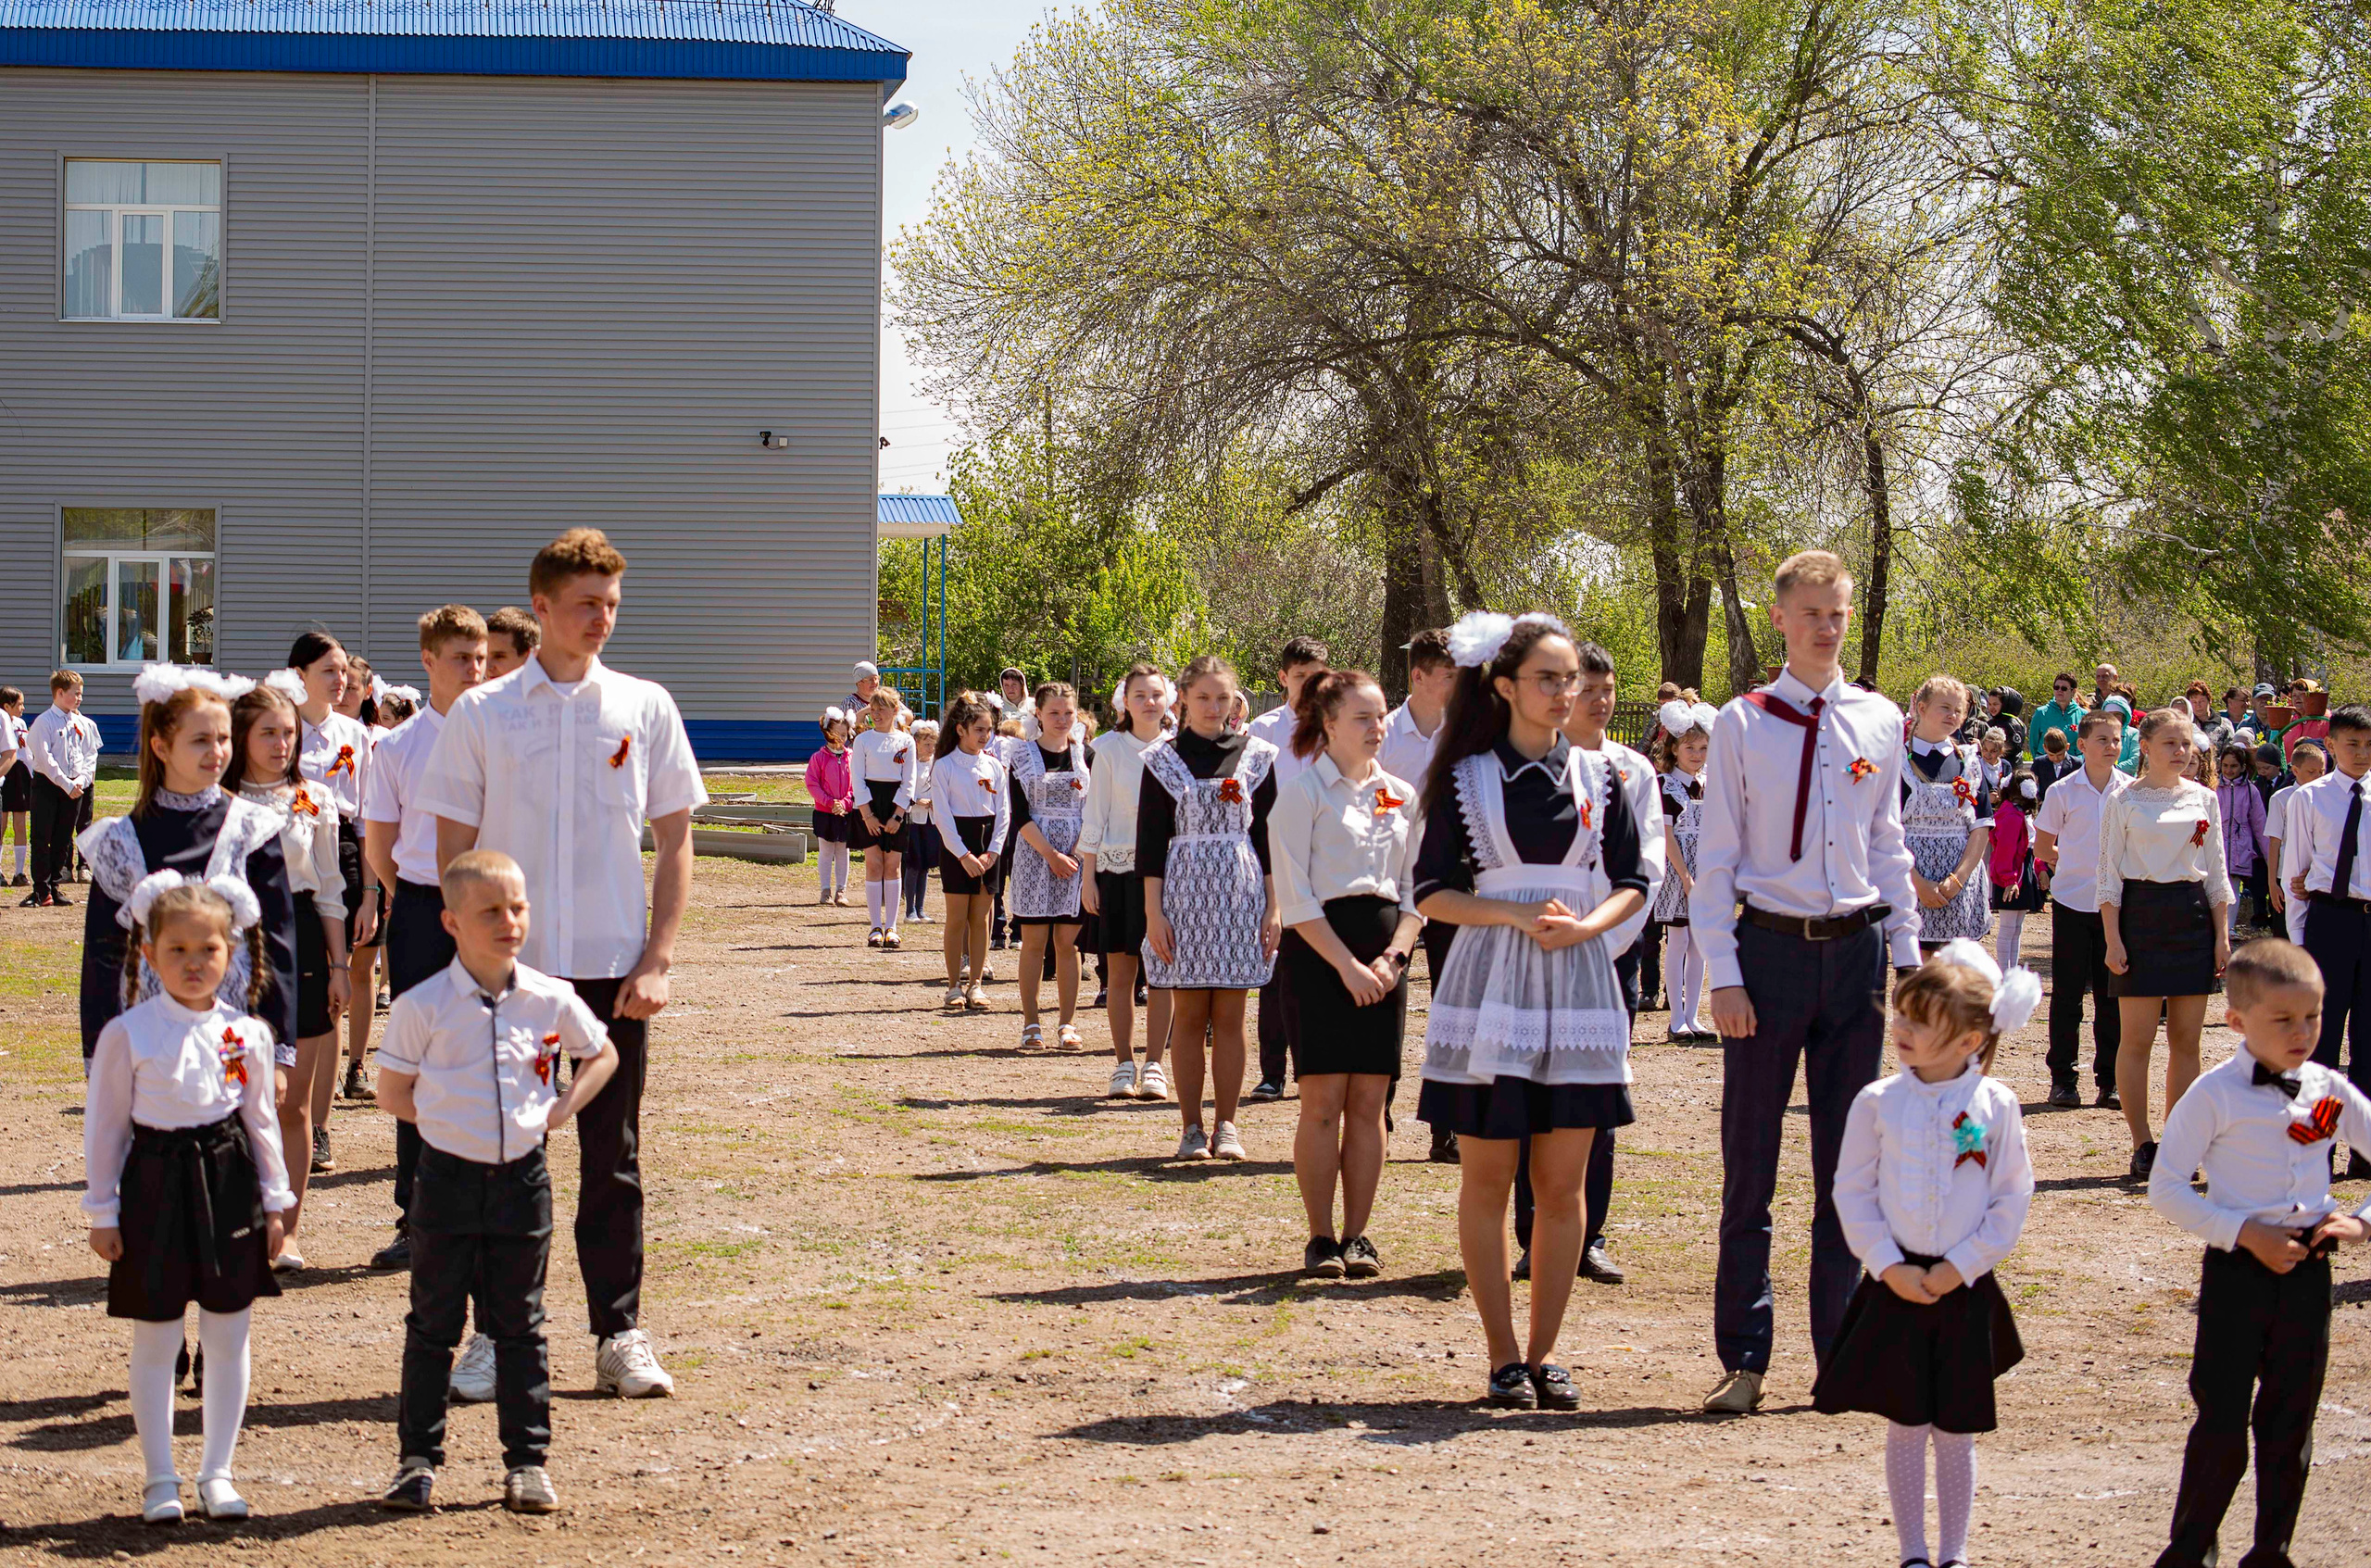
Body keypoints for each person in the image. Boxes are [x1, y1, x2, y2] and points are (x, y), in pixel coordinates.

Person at [422, 527, 706, 1400]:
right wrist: (477, 962)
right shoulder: (484, 713)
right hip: (515, 979)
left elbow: (675, 835)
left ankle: (618, 1332)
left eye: (613, 605)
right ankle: (496, 1336)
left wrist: (658, 955)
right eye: (586, 604)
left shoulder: (645, 706)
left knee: (612, 1159)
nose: (602, 620)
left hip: (615, 973)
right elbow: (453, 846)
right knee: (502, 1163)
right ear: (540, 607)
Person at [1692, 550, 1922, 1416]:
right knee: (1750, 1164)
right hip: (1770, 954)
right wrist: (1724, 973)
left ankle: (1843, 1356)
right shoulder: (1744, 721)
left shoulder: (1880, 718)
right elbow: (1716, 858)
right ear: (1782, 619)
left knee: (1850, 1163)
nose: (1828, 627)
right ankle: (1745, 1356)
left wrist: (1907, 956)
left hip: (1856, 955)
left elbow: (1889, 843)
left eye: (1840, 613)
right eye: (1813, 612)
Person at [1412, 611, 1645, 1410]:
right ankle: (1502, 1353)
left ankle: (1546, 1352)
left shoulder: (1605, 776)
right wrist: (1510, 914)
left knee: (1563, 1183)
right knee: (1487, 1176)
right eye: (1548, 678)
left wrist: (1587, 926)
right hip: (1491, 990)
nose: (1564, 692)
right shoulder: (1463, 777)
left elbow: (1632, 882)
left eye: (1570, 678)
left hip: (1578, 985)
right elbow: (1430, 892)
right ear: (1505, 685)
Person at [374, 849, 619, 1517]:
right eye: (491, 911)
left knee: (521, 1325)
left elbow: (603, 1052)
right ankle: (416, 1460)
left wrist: (564, 1106)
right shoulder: (423, 1005)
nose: (509, 921)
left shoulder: (549, 996)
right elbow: (391, 1091)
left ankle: (526, 1462)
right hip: (446, 1182)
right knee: (433, 1324)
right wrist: (453, 1122)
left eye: (518, 908)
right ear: (450, 921)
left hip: (523, 1185)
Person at [2146, 938, 2371, 1568]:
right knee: (2220, 1423)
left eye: (2314, 1016)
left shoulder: (2329, 1088)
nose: (2303, 1032)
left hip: (2307, 1271)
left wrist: (2361, 1224)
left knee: (2289, 1423)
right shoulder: (2214, 1094)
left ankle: (2272, 1551)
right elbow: (2166, 1189)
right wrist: (2244, 1233)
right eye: (2284, 1019)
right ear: (2237, 1021)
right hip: (2236, 1272)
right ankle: (2191, 1550)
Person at [1811, 941, 2037, 1568]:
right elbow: (1851, 1191)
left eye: (1919, 1022)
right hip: (1897, 1283)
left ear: (1969, 1040)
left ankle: (1954, 1552)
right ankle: (1912, 1551)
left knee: (1956, 1426)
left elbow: (2011, 1195)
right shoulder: (1877, 1101)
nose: (1901, 1030)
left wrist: (1959, 1267)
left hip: (1961, 1286)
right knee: (1906, 1421)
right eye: (1901, 1015)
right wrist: (1888, 1265)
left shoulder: (1997, 1106)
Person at [82, 875, 293, 1524]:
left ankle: (217, 1472)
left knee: (228, 1333)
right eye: (178, 950)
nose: (195, 963)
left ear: (231, 951)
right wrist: (103, 1209)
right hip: (154, 1184)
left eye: (209, 948)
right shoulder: (128, 1033)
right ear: (148, 953)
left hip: (230, 1184)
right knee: (157, 1335)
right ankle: (159, 1477)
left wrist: (277, 1202)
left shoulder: (248, 1034)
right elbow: (107, 1126)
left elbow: (261, 1123)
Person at [1270, 670, 1421, 1278]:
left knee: (1370, 1102)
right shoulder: (1302, 794)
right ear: (1328, 723)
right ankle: (1321, 1237)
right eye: (1363, 717)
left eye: (1381, 715)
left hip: (1386, 961)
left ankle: (1359, 1235)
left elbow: (1417, 889)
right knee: (1323, 1103)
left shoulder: (1402, 794)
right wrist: (1347, 966)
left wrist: (1394, 957)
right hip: (1320, 958)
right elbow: (1297, 894)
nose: (1377, 727)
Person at [358, 603, 491, 1286]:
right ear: (429, 663)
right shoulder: (399, 746)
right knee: (417, 1060)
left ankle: (486, 1209)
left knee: (490, 1052)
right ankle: (415, 1215)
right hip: (419, 909)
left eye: (481, 657)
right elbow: (380, 843)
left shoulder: (504, 734)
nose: (474, 670)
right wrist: (418, 900)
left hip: (494, 911)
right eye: (460, 658)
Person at [1528, 638, 1666, 1288]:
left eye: (1610, 690)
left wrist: (1602, 941)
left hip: (1609, 958)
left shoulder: (1634, 770)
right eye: (1591, 689)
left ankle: (1590, 1234)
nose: (1602, 701)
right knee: (1535, 1092)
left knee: (1598, 1097)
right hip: (1538, 954)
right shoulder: (1531, 764)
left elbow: (1649, 868)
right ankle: (1534, 1237)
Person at [79, 670, 297, 1073]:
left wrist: (279, 1048)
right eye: (200, 740)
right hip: (147, 1044)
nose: (216, 751)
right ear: (161, 746)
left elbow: (278, 940)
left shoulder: (251, 827)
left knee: (229, 1130)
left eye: (224, 738)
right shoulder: (121, 840)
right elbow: (102, 956)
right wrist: (100, 1052)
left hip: (233, 1039)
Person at [1141, 654, 1281, 1162]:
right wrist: (1154, 914)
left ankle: (1227, 1125)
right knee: (1189, 1011)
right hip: (1181, 895)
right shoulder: (1160, 759)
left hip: (1241, 894)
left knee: (1231, 1014)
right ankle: (1191, 1128)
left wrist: (1274, 906)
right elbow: (1150, 843)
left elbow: (1269, 836)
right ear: (1183, 700)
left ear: (1234, 700)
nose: (1212, 706)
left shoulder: (1258, 755)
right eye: (1202, 696)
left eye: (1222, 696)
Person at [228, 683, 346, 1272]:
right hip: (227, 947)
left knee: (292, 1102)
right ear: (241, 737)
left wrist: (341, 966)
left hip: (299, 942)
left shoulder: (314, 798)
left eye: (289, 732)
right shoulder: (213, 800)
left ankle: (288, 1231)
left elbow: (329, 889)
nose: (281, 743)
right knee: (231, 1095)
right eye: (268, 732)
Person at [2099, 709, 2232, 1179]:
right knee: (2136, 1039)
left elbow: (2216, 873)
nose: (2181, 752)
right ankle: (2142, 1143)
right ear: (2147, 747)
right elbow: (2108, 877)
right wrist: (2113, 939)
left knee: (2186, 1040)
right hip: (2140, 917)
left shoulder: (2205, 799)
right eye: (2171, 743)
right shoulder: (2123, 800)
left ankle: (2178, 1141)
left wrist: (2222, 936)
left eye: (2187, 744)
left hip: (2192, 917)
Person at [1079, 665, 1173, 1101]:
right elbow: (1094, 815)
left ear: (1168, 699)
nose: (1149, 702)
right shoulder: (1108, 749)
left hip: (1169, 877)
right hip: (1116, 874)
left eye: (1156, 694)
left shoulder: (1179, 750)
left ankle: (1155, 1065)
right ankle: (1123, 1064)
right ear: (1125, 701)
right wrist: (1088, 876)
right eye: (1140, 695)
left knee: (1163, 977)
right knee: (1120, 973)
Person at [2284, 706, 2371, 1175]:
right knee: (2321, 1040)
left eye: (2369, 744)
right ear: (2331, 745)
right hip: (2328, 921)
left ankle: (2365, 1150)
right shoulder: (2309, 799)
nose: (2361, 754)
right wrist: (2299, 941)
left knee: (2369, 1041)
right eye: (2351, 744)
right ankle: (2315, 1146)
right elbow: (2295, 869)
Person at [1244, 636, 1331, 1102]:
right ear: (1283, 678)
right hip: (1275, 859)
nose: (1309, 684)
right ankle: (1271, 1070)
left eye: (1317, 675)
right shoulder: (1263, 730)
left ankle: (1313, 1066)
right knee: (1276, 965)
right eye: (1300, 676)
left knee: (1323, 966)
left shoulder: (1338, 725)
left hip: (1329, 860)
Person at [2033, 708, 2130, 1110]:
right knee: (2069, 995)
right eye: (2104, 739)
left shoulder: (2131, 790)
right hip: (2073, 903)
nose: (2112, 746)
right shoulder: (2062, 791)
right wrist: (2071, 861)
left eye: (2117, 739)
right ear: (2082, 745)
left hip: (2119, 907)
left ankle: (2110, 1080)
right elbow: (2042, 847)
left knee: (2113, 996)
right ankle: (2063, 1080)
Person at [1006, 683, 1092, 1050]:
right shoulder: (1021, 756)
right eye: (1054, 713)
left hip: (1077, 856)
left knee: (1068, 943)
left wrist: (1073, 852)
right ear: (1038, 713)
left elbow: (1095, 806)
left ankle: (1067, 1023)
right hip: (1034, 855)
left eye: (1068, 713)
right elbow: (1019, 813)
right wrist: (1051, 855)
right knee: (1034, 941)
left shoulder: (1086, 754)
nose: (1061, 719)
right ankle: (1031, 1022)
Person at [930, 691, 1009, 1010]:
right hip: (956, 848)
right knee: (957, 919)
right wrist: (963, 854)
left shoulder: (994, 765)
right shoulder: (944, 766)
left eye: (989, 730)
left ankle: (976, 984)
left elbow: (1004, 812)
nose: (985, 736)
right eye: (979, 729)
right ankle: (953, 986)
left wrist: (992, 852)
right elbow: (942, 816)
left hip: (988, 847)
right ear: (961, 730)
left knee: (982, 920)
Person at [1902, 676, 1993, 949]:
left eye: (1959, 710)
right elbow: (1881, 830)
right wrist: (1917, 883)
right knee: (1916, 974)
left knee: (1955, 974)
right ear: (1921, 708)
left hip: (1959, 887)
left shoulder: (1968, 761)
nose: (1953, 715)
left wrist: (1958, 879)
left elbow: (1981, 825)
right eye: (1945, 707)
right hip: (1910, 883)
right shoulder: (1896, 760)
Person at [1651, 699, 1717, 1041]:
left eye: (1703, 747)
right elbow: (1666, 837)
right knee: (1677, 941)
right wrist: (1687, 878)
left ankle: (1694, 1016)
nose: (1697, 754)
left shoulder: (1710, 783)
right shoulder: (1665, 786)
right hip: (1678, 875)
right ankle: (1675, 1017)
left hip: (1706, 872)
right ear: (1674, 748)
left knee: (1700, 945)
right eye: (1690, 747)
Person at [848, 686, 918, 949]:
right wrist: (866, 814)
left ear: (895, 711)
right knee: (874, 865)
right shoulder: (863, 741)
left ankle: (892, 927)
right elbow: (858, 779)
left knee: (893, 866)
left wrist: (898, 815)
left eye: (882, 709)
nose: (876, 714)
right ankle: (874, 926)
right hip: (869, 806)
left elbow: (909, 781)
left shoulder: (906, 741)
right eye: (873, 709)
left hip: (896, 807)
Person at [27, 669, 101, 908]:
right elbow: (45, 759)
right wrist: (66, 783)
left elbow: (90, 753)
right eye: (75, 694)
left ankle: (55, 885)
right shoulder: (44, 722)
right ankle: (41, 888)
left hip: (75, 787)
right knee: (42, 837)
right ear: (59, 693)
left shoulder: (80, 723)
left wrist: (81, 780)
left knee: (63, 838)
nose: (80, 698)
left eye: (81, 694)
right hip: (49, 785)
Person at [2264, 739, 2327, 945]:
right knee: (2285, 940)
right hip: (2287, 878)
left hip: (2318, 877)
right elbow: (2274, 843)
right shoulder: (2281, 798)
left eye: (2322, 772)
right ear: (2295, 770)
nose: (2318, 777)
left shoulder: (2328, 799)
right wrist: (2272, 883)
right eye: (2312, 772)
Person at [1988, 771, 2043, 971]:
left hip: (2020, 870)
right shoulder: (2011, 815)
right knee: (2008, 927)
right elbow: (2005, 850)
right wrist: (2009, 879)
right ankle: (2004, 973)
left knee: (2017, 927)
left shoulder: (2017, 812)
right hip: (2011, 874)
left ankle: (2011, 971)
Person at [804, 709, 856, 908]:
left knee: (843, 851)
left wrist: (845, 803)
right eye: (837, 734)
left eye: (844, 734)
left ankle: (841, 891)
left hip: (845, 813)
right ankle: (825, 890)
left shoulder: (852, 757)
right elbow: (812, 783)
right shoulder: (819, 757)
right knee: (826, 851)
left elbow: (855, 785)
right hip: (825, 812)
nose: (841, 738)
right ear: (827, 732)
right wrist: (828, 801)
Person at [2216, 743, 2269, 937]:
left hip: (2240, 847)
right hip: (2218, 845)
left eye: (2234, 766)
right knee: (2216, 888)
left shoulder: (2250, 791)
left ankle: (2229, 927)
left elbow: (2259, 824)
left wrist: (2270, 856)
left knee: (2232, 888)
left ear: (2243, 767)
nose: (2229, 770)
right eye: (2226, 766)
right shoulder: (2214, 787)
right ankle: (2215, 927)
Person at [900, 720, 940, 924]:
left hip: (930, 820)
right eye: (927, 744)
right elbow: (903, 788)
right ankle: (910, 910)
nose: (930, 748)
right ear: (916, 743)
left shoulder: (936, 764)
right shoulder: (909, 763)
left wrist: (937, 801)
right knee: (913, 864)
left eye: (933, 745)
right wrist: (916, 800)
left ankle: (921, 908)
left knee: (925, 865)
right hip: (913, 819)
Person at [0, 684, 30, 887]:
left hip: (19, 773)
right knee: (1, 825)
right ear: (7, 706)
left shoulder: (20, 723)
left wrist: (32, 772)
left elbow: (26, 751)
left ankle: (19, 872)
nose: (23, 708)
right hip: (3, 772)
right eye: (19, 704)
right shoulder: (2, 722)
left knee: (20, 823)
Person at [2027, 673, 2084, 763]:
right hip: (2046, 764)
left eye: (2064, 688)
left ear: (2073, 691)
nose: (2059, 691)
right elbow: (2033, 743)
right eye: (2056, 687)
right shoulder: (2041, 713)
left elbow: (2087, 744)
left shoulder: (2083, 715)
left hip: (2073, 765)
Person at [484, 606, 540, 679]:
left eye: (498, 656)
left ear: (528, 657)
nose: (488, 667)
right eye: (483, 657)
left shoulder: (552, 689)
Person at [2031, 726, 2076, 796]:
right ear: (2044, 748)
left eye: (2060, 754)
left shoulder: (2077, 764)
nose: (2056, 758)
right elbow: (2033, 785)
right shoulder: (2039, 763)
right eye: (2051, 755)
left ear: (2067, 747)